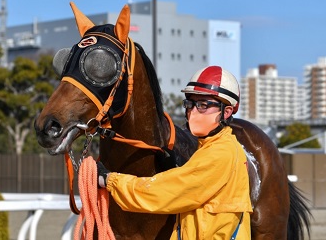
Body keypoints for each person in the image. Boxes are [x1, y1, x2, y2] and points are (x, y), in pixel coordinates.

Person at [96, 65, 252, 239]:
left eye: (203, 105)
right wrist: (178, 172)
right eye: (190, 104)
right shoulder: (220, 146)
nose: (193, 112)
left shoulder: (220, 154)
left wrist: (110, 180)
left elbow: (161, 194)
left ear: (226, 112)